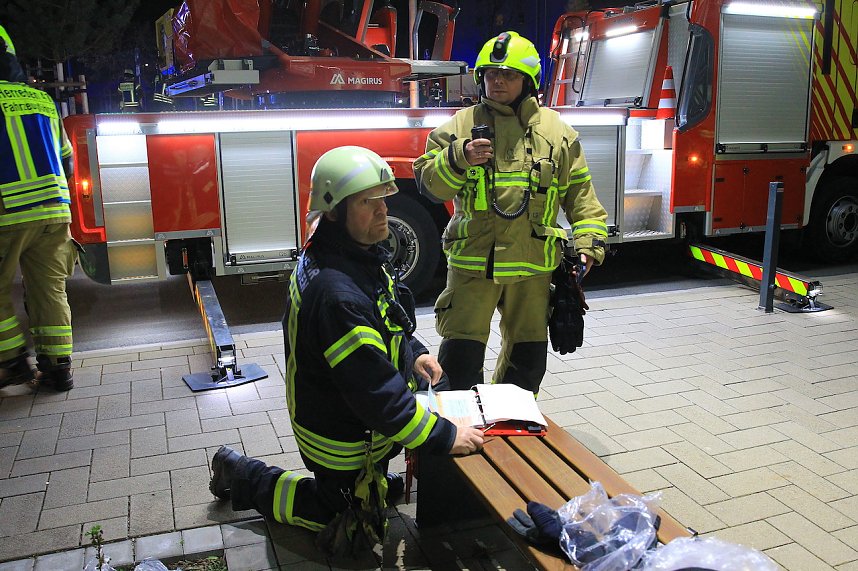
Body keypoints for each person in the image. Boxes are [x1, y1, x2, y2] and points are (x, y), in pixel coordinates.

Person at [209, 146, 484, 541]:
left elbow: (386, 316)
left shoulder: (347, 256)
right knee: (348, 526)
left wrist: (414, 351)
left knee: (376, 497)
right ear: (334, 212)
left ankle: (363, 486)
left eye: (384, 199)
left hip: (344, 417)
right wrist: (445, 436)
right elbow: (379, 396)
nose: (383, 211)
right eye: (366, 202)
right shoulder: (338, 292)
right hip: (339, 441)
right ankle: (241, 474)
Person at [413, 31, 608, 394]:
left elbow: (581, 195)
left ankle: (513, 434)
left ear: (529, 81)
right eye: (491, 74)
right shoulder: (458, 128)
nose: (498, 81)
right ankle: (460, 437)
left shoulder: (558, 133)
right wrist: (458, 157)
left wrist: (589, 241)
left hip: (532, 269)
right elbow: (429, 185)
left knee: (527, 363)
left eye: (509, 74)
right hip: (473, 266)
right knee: (459, 361)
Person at [0, 25, 76, 392]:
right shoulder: (41, 99)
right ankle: (58, 368)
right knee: (50, 289)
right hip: (54, 209)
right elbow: (67, 158)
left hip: (6, 210)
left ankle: (13, 362)